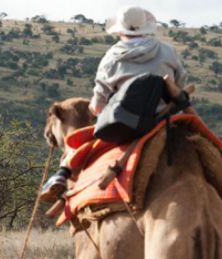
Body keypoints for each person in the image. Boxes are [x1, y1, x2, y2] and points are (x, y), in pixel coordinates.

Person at [39, 5, 188, 201]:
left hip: (124, 127)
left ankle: (62, 174)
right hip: (164, 121)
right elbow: (180, 84)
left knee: (80, 143)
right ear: (146, 27)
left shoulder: (111, 58)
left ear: (119, 31)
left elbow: (98, 106)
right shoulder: (168, 51)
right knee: (203, 142)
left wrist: (94, 108)